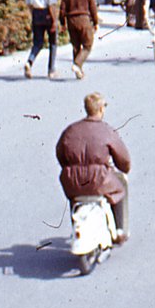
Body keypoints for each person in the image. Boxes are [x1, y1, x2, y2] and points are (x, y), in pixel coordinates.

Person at [56, 91, 131, 243]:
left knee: (75, 197)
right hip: (99, 180)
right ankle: (119, 229)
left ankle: (75, 226)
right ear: (101, 109)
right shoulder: (107, 131)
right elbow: (124, 160)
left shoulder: (71, 130)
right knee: (121, 184)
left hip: (72, 181)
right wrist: (123, 168)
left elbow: (60, 153)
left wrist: (71, 168)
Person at [59, 0, 99, 78]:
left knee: (76, 46)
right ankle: (77, 64)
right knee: (87, 45)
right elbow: (93, 9)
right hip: (84, 19)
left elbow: (62, 9)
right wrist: (96, 22)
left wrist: (63, 23)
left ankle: (79, 71)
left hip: (71, 20)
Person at [23, 0, 59, 78]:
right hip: (47, 13)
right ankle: (51, 69)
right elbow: (52, 4)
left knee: (37, 42)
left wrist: (32, 13)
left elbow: (28, 2)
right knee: (53, 42)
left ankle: (30, 61)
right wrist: (55, 20)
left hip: (36, 12)